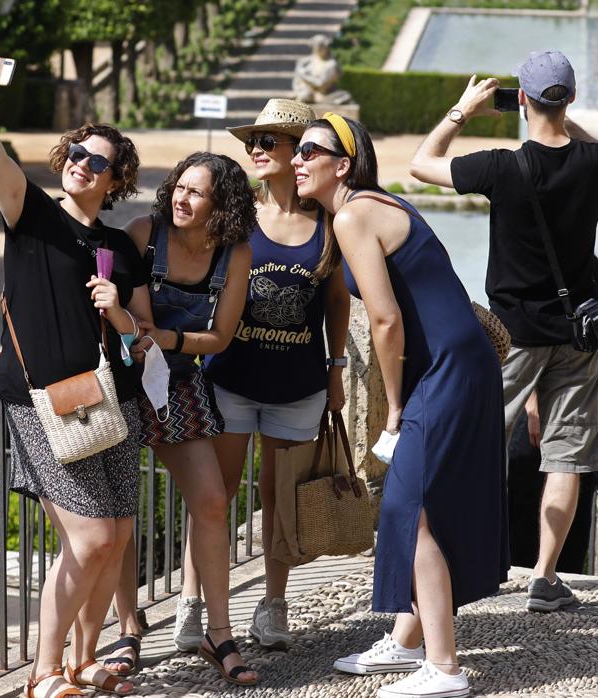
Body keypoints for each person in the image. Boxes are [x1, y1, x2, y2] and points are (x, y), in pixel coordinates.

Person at [294, 113, 507, 698]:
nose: (296, 159)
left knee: (407, 511)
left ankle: (444, 669)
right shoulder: (372, 204)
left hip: (446, 372)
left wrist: (393, 410)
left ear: (343, 164)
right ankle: (409, 641)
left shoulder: (355, 214)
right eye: (297, 149)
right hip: (456, 366)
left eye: (309, 150)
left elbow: (386, 321)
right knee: (418, 506)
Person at [0, 49, 141, 697]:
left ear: (116, 181)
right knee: (88, 540)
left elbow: (139, 337)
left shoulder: (117, 248)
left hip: (104, 397)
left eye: (99, 163)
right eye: (77, 155)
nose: (84, 166)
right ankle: (42, 673)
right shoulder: (31, 214)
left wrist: (119, 315)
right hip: (38, 398)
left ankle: (85, 660)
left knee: (114, 538)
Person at [409, 50, 598, 612]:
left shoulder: (502, 167)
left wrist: (462, 111)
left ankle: (448, 565)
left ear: (522, 100)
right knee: (565, 458)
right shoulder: (593, 163)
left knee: (472, 444)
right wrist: (560, 119)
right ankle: (545, 577)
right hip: (578, 334)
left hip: (512, 334)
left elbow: (422, 163)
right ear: (571, 99)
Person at [192, 98, 350, 651]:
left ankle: (273, 606)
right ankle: (195, 607)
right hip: (231, 378)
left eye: (268, 142)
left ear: (298, 152)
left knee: (282, 500)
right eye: (251, 143)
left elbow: (336, 302)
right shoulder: (236, 220)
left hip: (298, 387)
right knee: (215, 496)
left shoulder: (329, 223)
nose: (255, 151)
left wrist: (336, 369)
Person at [107, 152, 260, 686]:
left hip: (177, 382)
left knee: (213, 501)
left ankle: (219, 633)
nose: (181, 197)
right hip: (124, 385)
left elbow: (219, 337)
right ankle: (129, 629)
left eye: (196, 192)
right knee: (121, 510)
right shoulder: (142, 234)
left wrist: (167, 339)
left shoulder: (235, 254)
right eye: (179, 187)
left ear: (223, 207)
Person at [510, 257, 598, 575]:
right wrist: (532, 405)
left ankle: (558, 574)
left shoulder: (591, 272)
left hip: (581, 412)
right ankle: (527, 573)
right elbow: (522, 343)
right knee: (524, 504)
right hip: (532, 415)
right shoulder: (535, 277)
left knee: (576, 497)